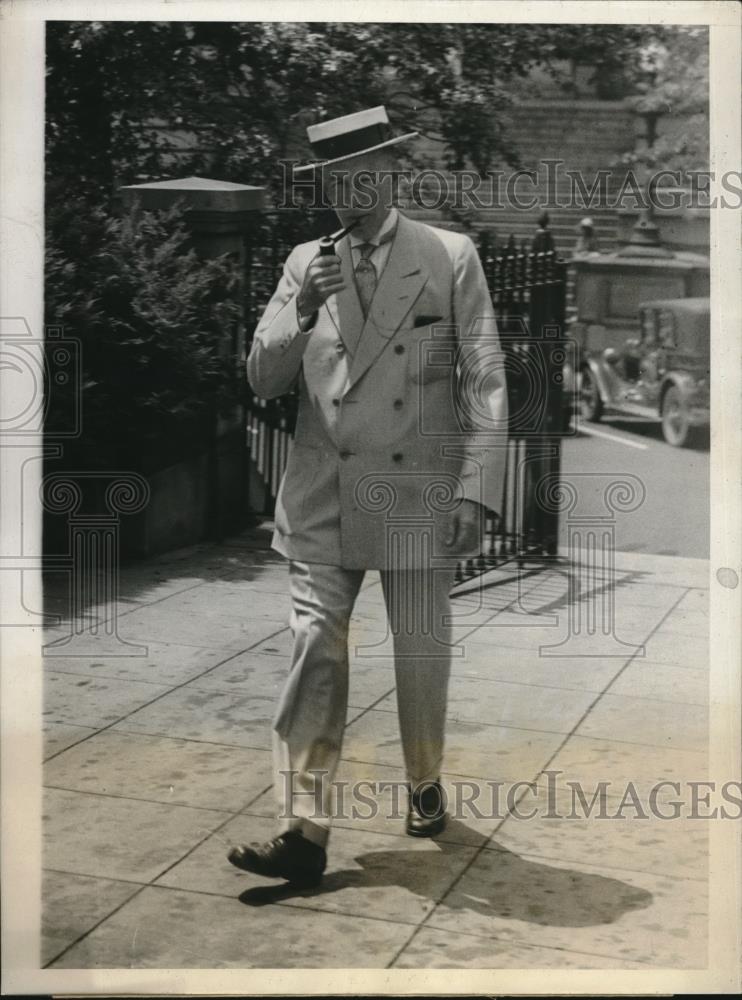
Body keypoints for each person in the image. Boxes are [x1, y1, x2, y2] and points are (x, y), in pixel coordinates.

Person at [228, 106, 508, 888]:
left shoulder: (450, 256)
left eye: (358, 176)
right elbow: (260, 378)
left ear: (390, 175)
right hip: (322, 493)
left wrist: (477, 491)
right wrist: (302, 307)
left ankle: (424, 782)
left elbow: (486, 379)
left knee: (420, 655)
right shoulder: (300, 264)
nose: (343, 192)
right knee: (317, 648)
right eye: (329, 180)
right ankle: (303, 829)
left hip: (418, 487)